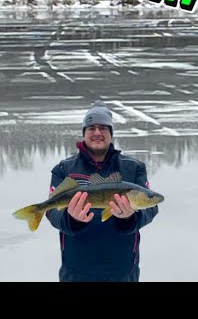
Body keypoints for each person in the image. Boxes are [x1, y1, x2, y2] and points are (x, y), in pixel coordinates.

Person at [45, 100, 159, 282]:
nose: (97, 132)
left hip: (123, 272)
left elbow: (150, 209)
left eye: (104, 128)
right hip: (75, 273)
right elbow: (52, 212)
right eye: (91, 128)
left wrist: (130, 218)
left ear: (111, 133)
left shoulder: (134, 168)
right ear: (84, 133)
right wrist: (71, 219)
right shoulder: (63, 170)